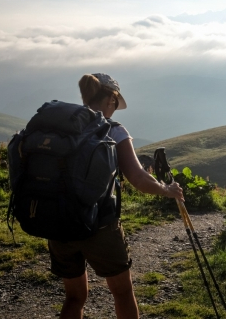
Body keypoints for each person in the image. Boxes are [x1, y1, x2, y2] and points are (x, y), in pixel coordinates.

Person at [49, 73, 183, 319]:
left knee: (75, 297)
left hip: (58, 223)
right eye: (114, 102)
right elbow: (139, 179)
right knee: (122, 292)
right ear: (110, 99)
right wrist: (167, 190)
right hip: (99, 225)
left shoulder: (62, 126)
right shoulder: (114, 130)